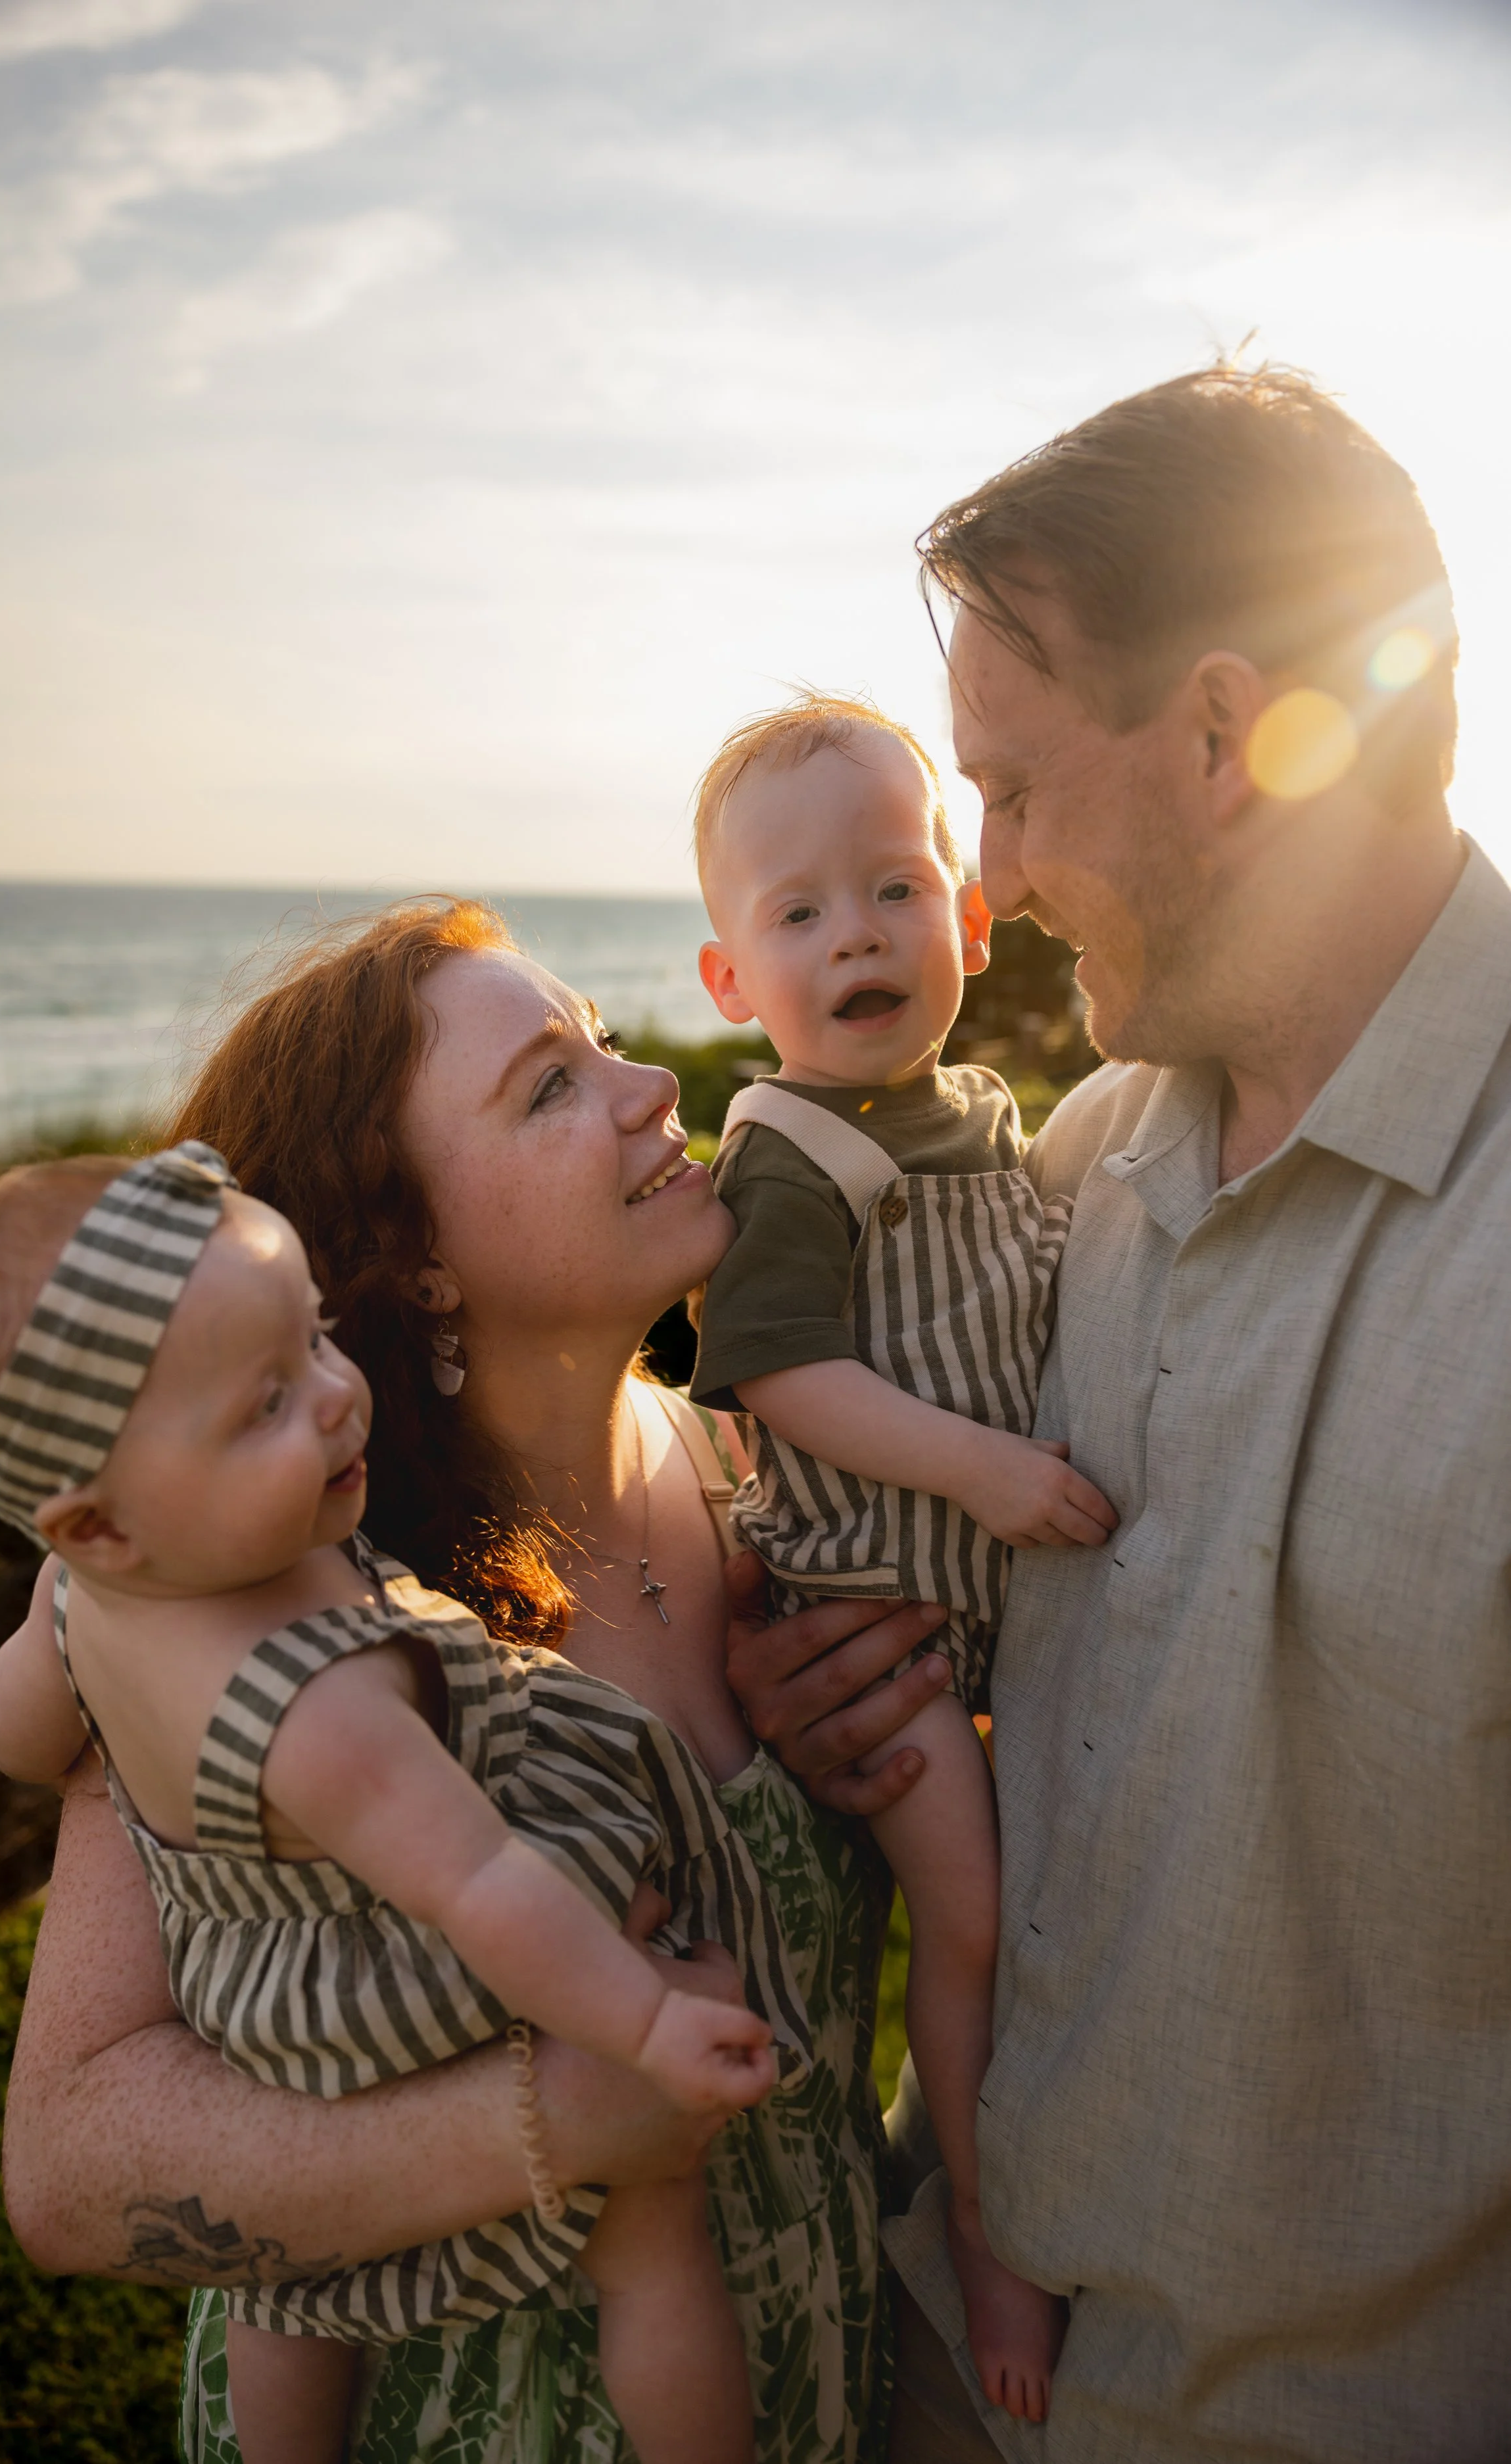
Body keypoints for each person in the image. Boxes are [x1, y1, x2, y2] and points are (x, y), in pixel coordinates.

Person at [725, 365, 1511, 2463]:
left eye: (1010, 791)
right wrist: (868, 1699)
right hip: (932, 2358)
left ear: (1224, 738)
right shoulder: (1064, 1165)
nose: (983, 877)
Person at [0, 898, 931, 2464]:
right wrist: (552, 2121)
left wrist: (873, 1764)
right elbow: (72, 2160)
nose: (647, 1087)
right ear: (411, 1259)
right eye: (550, 1085)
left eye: (605, 1044)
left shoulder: (760, 1478)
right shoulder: (273, 1600)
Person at [0, 1140, 794, 2464]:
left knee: (287, 2293)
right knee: (647, 2241)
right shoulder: (323, 1709)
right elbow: (488, 1888)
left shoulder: (88, 1599)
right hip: (432, 1993)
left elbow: (13, 1727)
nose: (332, 1398)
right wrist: (648, 2022)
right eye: (263, 1404)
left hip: (266, 2013)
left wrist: (78, 1656)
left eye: (314, 1339)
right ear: (96, 1521)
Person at [688, 692, 1116, 2422]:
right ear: (730, 982)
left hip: (991, 1608)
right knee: (970, 1917)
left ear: (970, 916)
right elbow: (777, 1366)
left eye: (889, 886)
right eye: (794, 913)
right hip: (884, 1615)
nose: (851, 932)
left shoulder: (986, 1117)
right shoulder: (789, 1151)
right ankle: (990, 2232)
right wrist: (992, 1474)